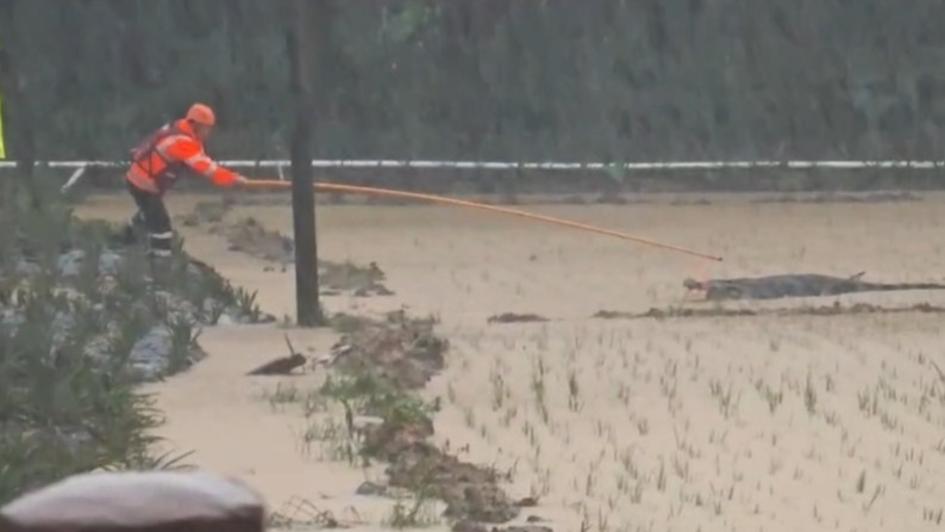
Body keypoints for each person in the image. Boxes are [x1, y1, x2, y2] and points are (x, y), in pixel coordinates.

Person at [124, 102, 248, 257]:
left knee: (147, 215)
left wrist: (230, 178)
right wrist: (232, 179)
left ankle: (126, 241)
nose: (209, 132)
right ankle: (160, 261)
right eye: (207, 128)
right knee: (162, 227)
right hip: (143, 183)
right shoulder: (182, 141)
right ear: (195, 125)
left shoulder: (180, 130)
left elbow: (200, 159)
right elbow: (206, 167)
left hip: (140, 180)